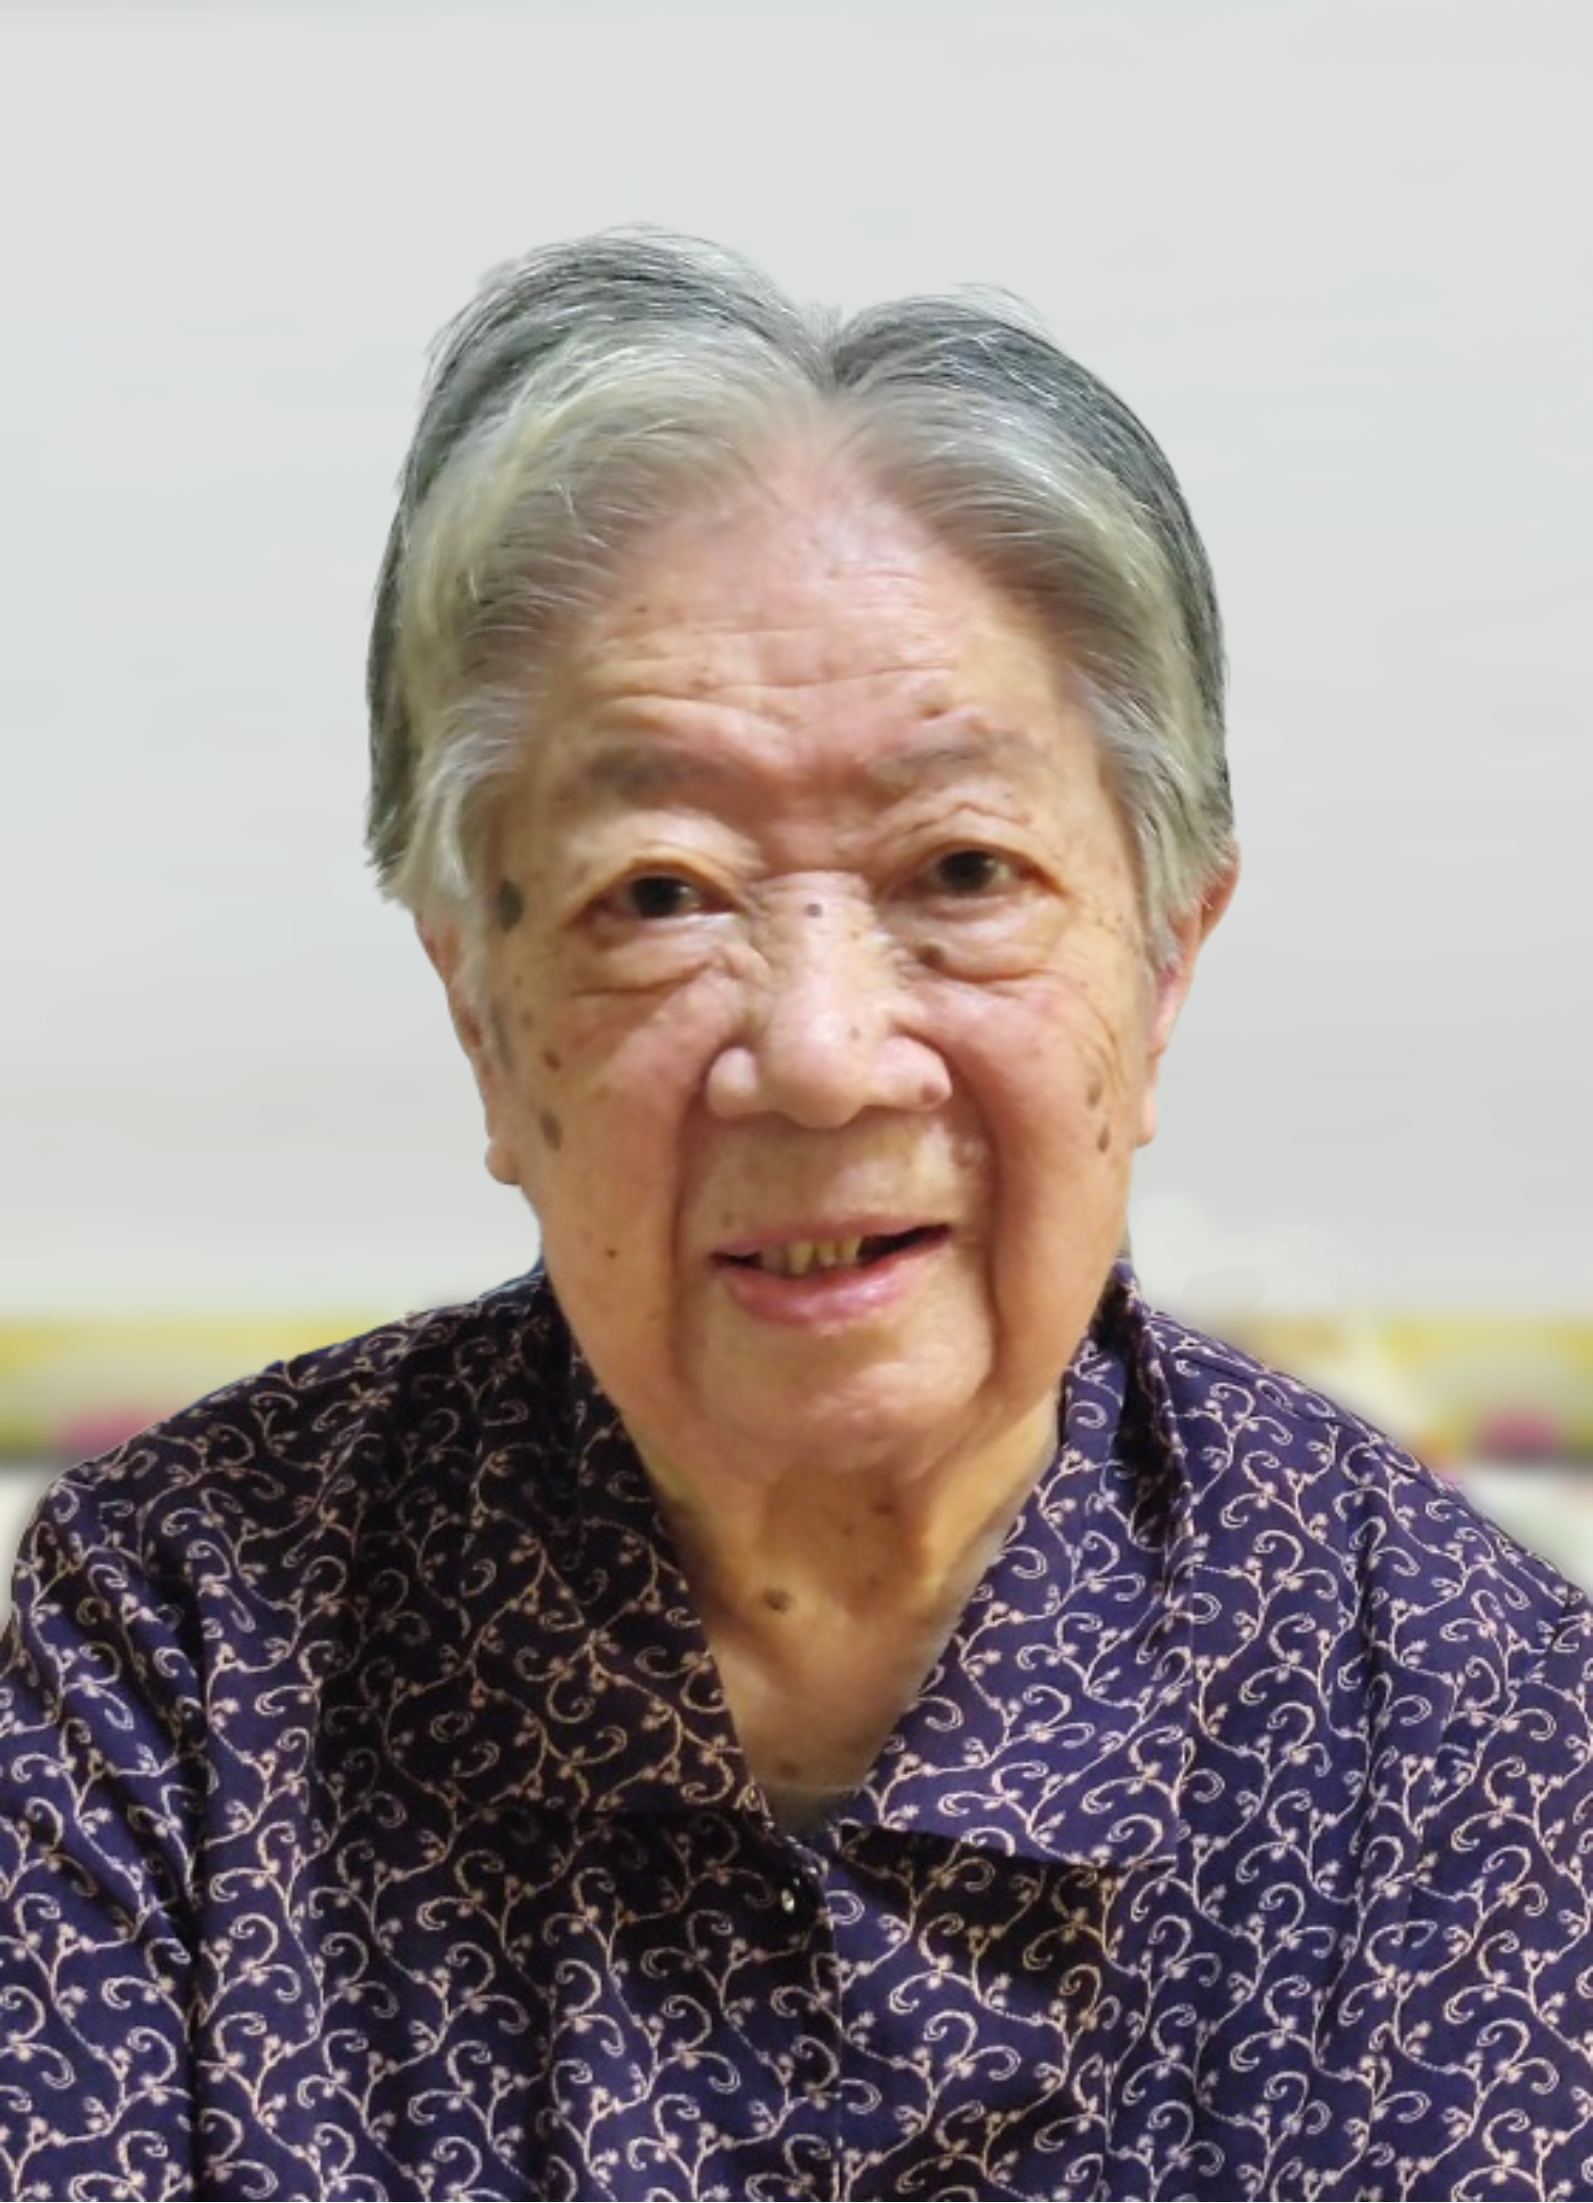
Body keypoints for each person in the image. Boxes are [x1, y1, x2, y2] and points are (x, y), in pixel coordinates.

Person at [3, 231, 1590, 2203]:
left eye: (962, 869)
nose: (823, 1056)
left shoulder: (1465, 1725)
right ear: (479, 1010)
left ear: (1165, 964)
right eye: (660, 894)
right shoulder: (186, 1643)